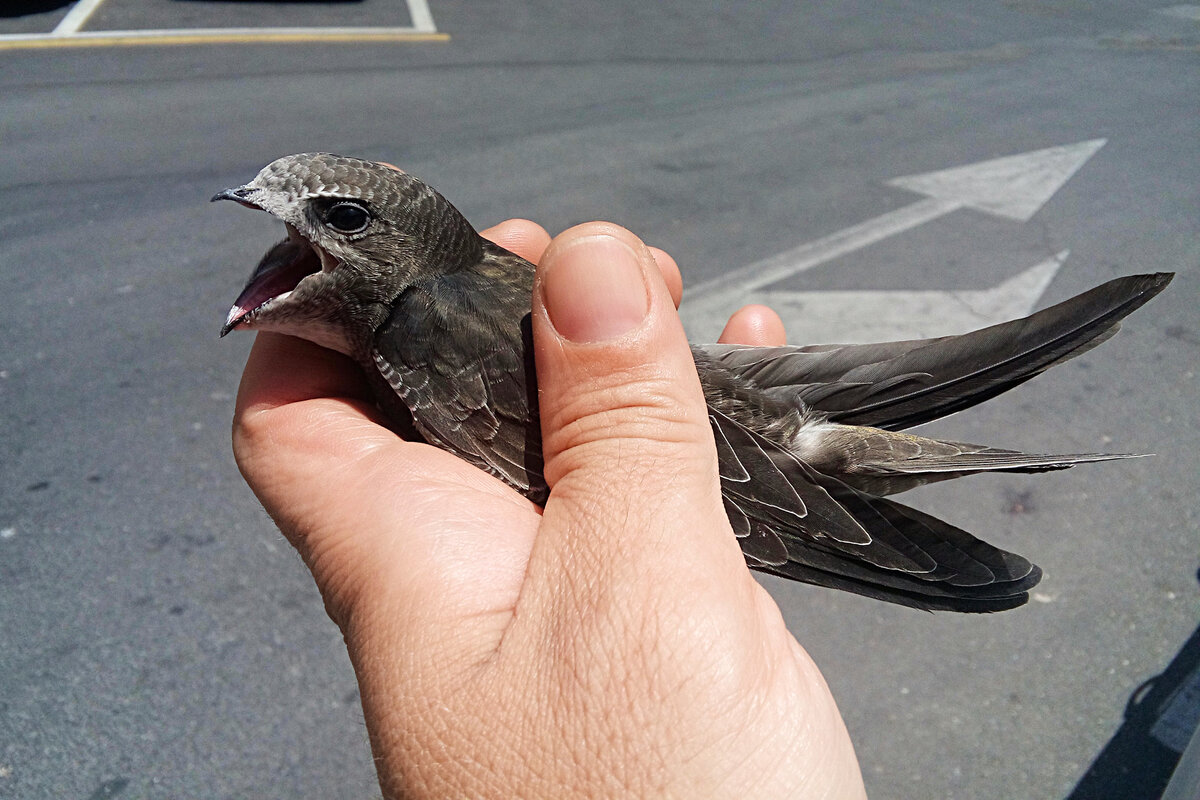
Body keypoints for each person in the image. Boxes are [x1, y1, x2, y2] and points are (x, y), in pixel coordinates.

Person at [232, 219, 867, 798]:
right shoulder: (435, 308)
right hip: (730, 436)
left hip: (738, 457)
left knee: (817, 446)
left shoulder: (422, 325)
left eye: (343, 218)